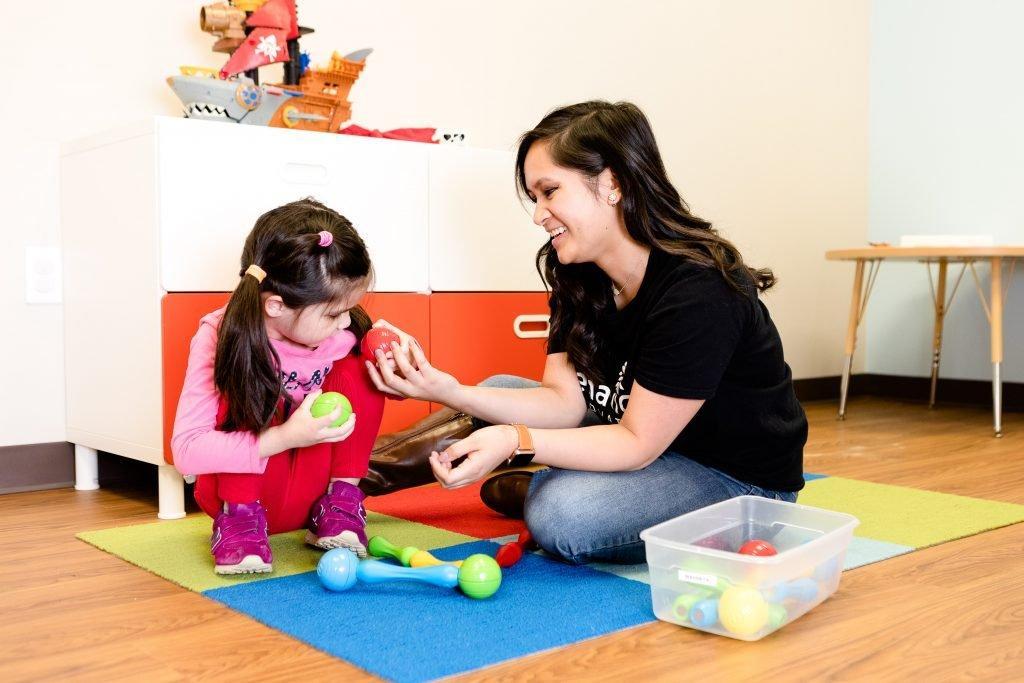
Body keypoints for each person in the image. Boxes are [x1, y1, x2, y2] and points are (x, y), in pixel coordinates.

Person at [365, 101, 808, 565]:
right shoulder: (580, 273)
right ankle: (344, 480)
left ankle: (553, 490)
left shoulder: (699, 290)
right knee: (494, 392)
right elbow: (563, 402)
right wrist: (448, 389)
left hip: (735, 482)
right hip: (646, 444)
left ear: (613, 183)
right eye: (535, 197)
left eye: (550, 192)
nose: (538, 215)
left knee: (562, 514)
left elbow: (637, 442)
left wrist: (516, 440)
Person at [171, 198, 386, 575]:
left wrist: (392, 356)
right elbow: (187, 451)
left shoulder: (341, 333)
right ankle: (238, 520)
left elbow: (377, 383)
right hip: (245, 496)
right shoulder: (219, 336)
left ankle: (340, 505)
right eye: (334, 313)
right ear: (275, 306)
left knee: (364, 366)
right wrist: (286, 437)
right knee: (245, 372)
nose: (344, 323)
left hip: (313, 493)